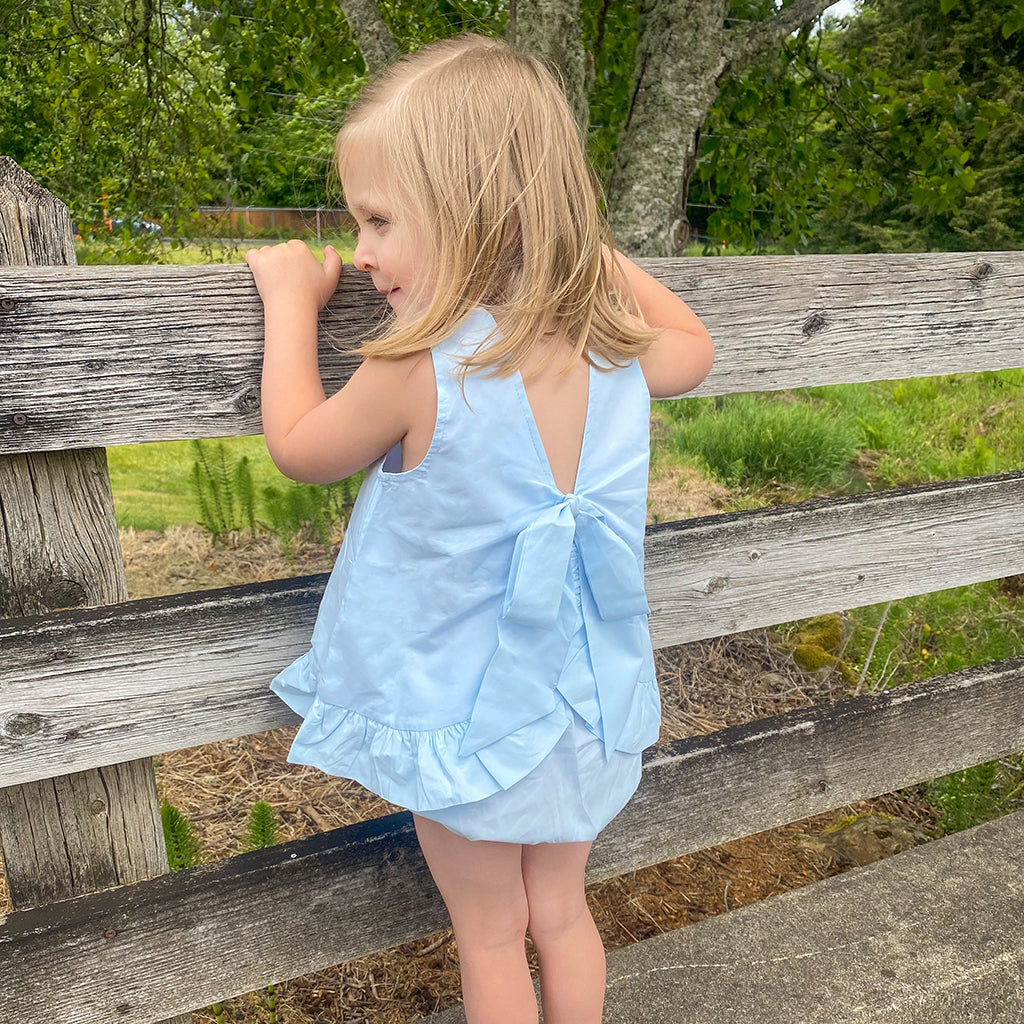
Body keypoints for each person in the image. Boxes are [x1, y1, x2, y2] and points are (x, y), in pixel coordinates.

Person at [246, 32, 713, 1024]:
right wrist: (570, 249)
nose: (363, 251)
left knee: (491, 930)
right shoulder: (613, 348)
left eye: (378, 218)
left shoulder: (419, 364)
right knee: (559, 911)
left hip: (467, 716)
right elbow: (696, 345)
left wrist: (290, 304)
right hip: (584, 705)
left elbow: (298, 444)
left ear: (472, 211)